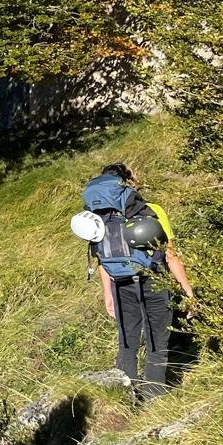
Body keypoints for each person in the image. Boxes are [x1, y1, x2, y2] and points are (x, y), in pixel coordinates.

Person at [90, 163, 196, 401]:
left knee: (127, 342)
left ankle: (122, 398)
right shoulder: (153, 210)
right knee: (156, 340)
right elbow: (170, 255)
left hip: (119, 285)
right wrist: (188, 291)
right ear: (128, 183)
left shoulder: (98, 219)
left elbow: (102, 259)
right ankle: (153, 397)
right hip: (153, 282)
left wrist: (108, 295)